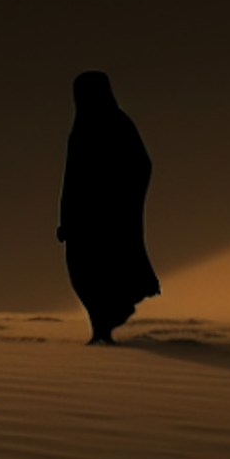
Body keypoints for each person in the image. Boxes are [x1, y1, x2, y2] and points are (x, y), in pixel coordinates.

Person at [56, 70, 161, 343]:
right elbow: (72, 179)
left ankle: (104, 329)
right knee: (83, 274)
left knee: (108, 274)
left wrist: (121, 201)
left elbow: (141, 165)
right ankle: (99, 330)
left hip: (111, 221)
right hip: (82, 223)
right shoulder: (80, 129)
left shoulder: (118, 124)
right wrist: (65, 219)